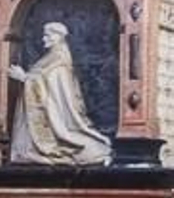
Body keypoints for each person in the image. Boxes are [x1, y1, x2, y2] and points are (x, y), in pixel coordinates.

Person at [7, 21, 113, 166]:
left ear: (58, 37)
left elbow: (55, 93)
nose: (44, 39)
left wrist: (25, 78)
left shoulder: (59, 62)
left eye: (47, 35)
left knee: (83, 145)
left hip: (57, 118)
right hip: (35, 125)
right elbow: (41, 79)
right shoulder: (50, 57)